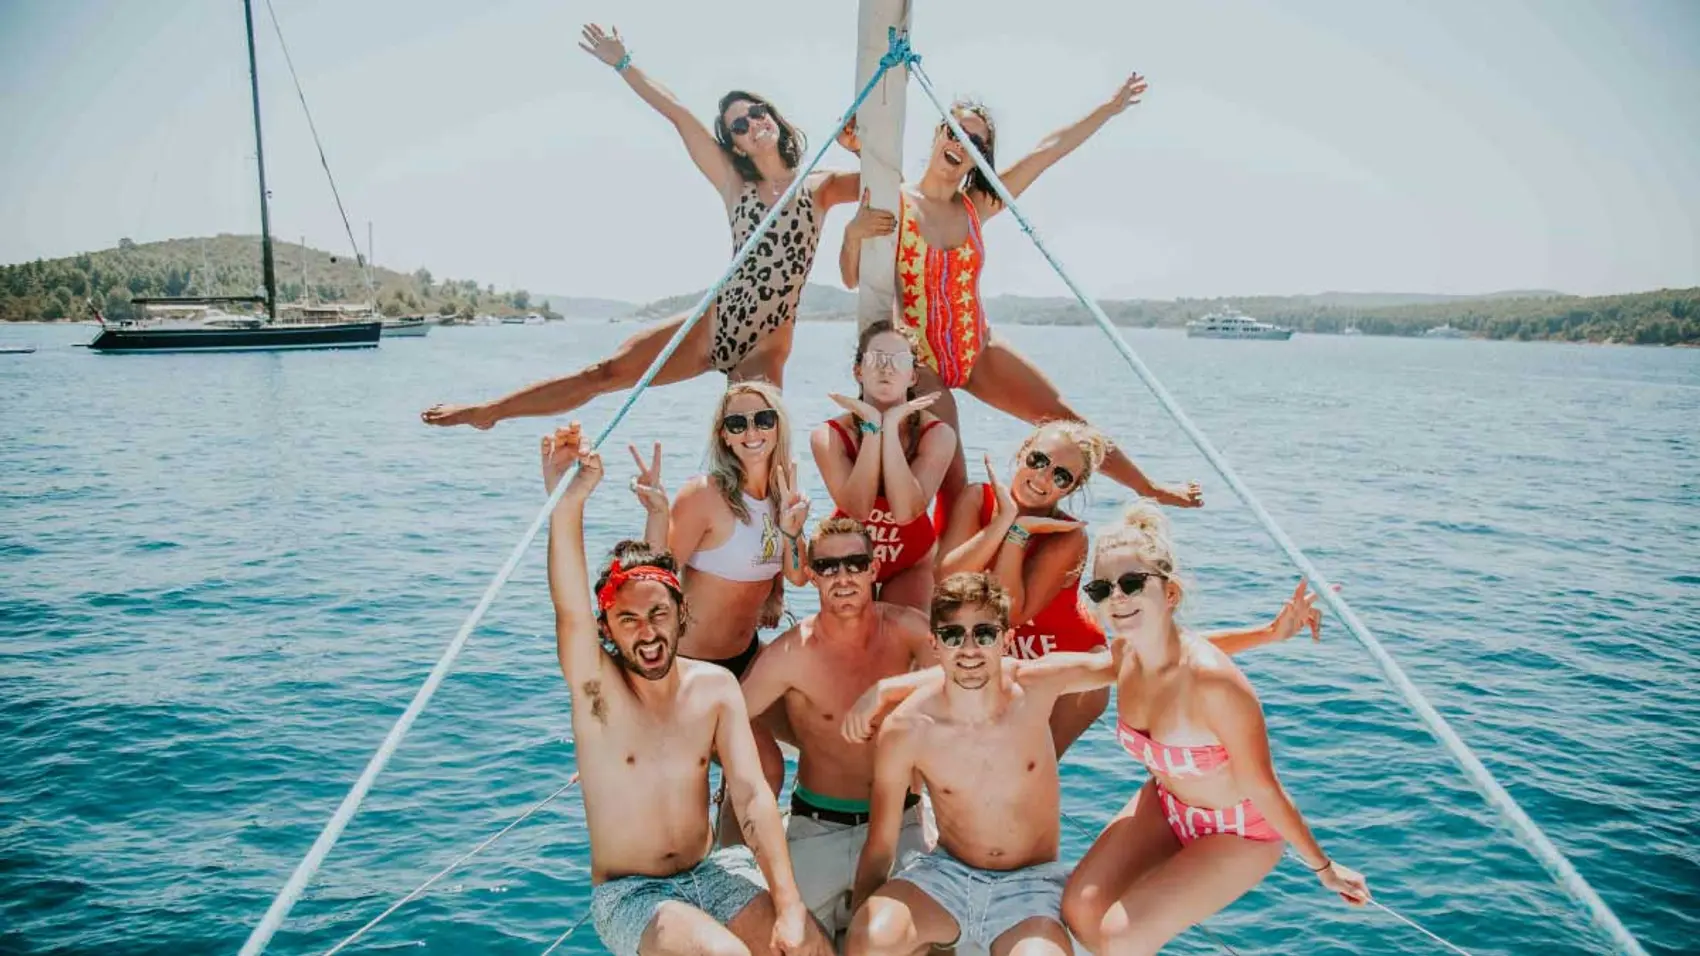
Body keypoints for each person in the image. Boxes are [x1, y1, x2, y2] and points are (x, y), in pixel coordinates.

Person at [421, 22, 861, 430]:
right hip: (714, 322)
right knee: (604, 373)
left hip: (766, 342)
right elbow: (677, 113)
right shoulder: (735, 184)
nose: (752, 124)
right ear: (736, 145)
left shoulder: (819, 186)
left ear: (774, 116)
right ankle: (490, 412)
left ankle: (774, 512)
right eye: (739, 125)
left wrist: (860, 147)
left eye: (757, 113)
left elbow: (889, 186)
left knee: (755, 433)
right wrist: (623, 64)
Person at [838, 76, 1203, 509]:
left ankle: (1149, 488)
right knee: (953, 469)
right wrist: (851, 234)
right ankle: (952, 569)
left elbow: (1048, 150)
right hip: (922, 359)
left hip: (979, 349)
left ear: (979, 158)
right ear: (938, 135)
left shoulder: (977, 205)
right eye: (954, 131)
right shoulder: (896, 200)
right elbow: (850, 277)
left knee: (1071, 424)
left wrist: (1110, 107)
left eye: (975, 140)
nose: (961, 142)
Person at [537, 422, 829, 956]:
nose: (647, 632)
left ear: (681, 616)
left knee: (812, 947)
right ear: (607, 629)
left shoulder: (715, 688)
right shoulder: (597, 690)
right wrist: (567, 500)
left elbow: (752, 795)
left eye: (658, 615)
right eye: (628, 620)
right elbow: (569, 609)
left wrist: (790, 908)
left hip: (712, 872)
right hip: (633, 896)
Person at [1059, 503, 1369, 953]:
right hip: (1167, 805)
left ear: (1170, 594)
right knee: (1078, 909)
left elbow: (1264, 788)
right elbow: (1173, 649)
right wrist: (1267, 632)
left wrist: (1324, 869)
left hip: (1238, 832)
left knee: (1120, 938)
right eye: (1103, 588)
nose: (1117, 599)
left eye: (1131, 584)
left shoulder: (1215, 684)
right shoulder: (1128, 653)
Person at [937, 422, 1310, 753]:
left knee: (1024, 772)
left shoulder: (1068, 538)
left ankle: (1270, 633)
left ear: (1073, 487)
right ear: (1022, 454)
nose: (1044, 477)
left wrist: (1018, 534)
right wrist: (1003, 522)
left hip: (1069, 665)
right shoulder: (978, 499)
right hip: (1001, 655)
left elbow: (1011, 612)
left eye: (1062, 476)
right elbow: (945, 578)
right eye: (1038, 460)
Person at [843, 572, 1112, 955]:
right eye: (953, 636)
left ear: (1007, 640)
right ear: (935, 644)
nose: (968, 649)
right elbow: (881, 846)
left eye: (984, 634)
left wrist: (1215, 653)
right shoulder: (905, 728)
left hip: (1030, 886)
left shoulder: (1037, 686)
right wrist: (861, 925)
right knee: (870, 938)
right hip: (946, 875)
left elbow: (1139, 662)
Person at [734, 516, 941, 940]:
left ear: (874, 567)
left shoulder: (907, 630)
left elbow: (971, 675)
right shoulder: (791, 653)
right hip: (817, 829)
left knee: (928, 942)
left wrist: (887, 689)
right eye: (828, 567)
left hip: (902, 824)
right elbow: (724, 717)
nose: (842, 577)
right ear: (811, 574)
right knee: (784, 943)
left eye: (854, 563)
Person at [636, 381, 809, 679]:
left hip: (746, 657)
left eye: (763, 420)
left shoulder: (783, 494)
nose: (752, 432)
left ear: (777, 427)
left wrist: (777, 588)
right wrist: (657, 513)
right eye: (737, 423)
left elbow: (797, 574)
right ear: (724, 436)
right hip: (691, 664)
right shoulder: (703, 495)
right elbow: (655, 577)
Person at [809, 321, 955, 611]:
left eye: (898, 360)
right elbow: (859, 508)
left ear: (912, 375)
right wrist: (873, 428)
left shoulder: (937, 435)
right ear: (858, 370)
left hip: (910, 561)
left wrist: (890, 425)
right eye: (875, 358)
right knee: (849, 642)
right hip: (845, 558)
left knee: (906, 639)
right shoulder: (829, 435)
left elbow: (905, 512)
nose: (886, 368)